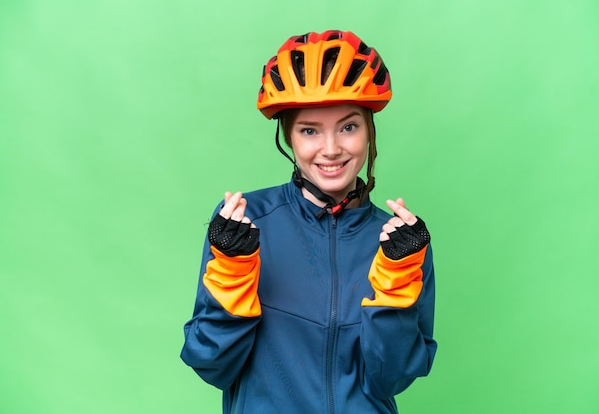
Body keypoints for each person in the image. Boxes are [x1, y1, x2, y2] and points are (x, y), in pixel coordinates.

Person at [180, 30, 437, 414]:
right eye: (309, 130)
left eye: (348, 127)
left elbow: (391, 378)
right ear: (289, 136)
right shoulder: (245, 224)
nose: (331, 149)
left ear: (369, 131)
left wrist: (396, 286)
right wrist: (233, 275)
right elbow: (211, 365)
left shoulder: (398, 241)